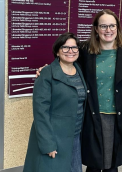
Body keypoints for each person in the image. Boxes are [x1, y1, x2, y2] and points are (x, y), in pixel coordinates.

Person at [36, 9, 122, 172]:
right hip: (92, 115)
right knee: (94, 162)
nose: (108, 30)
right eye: (103, 26)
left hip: (117, 116)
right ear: (96, 29)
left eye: (112, 25)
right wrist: (47, 69)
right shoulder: (85, 51)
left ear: (118, 28)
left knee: (112, 163)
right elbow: (66, 60)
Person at [23, 33, 87, 172]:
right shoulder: (47, 73)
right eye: (65, 48)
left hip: (74, 137)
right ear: (57, 51)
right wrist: (47, 144)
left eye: (74, 48)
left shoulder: (79, 70)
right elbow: (40, 112)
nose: (70, 51)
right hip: (54, 138)